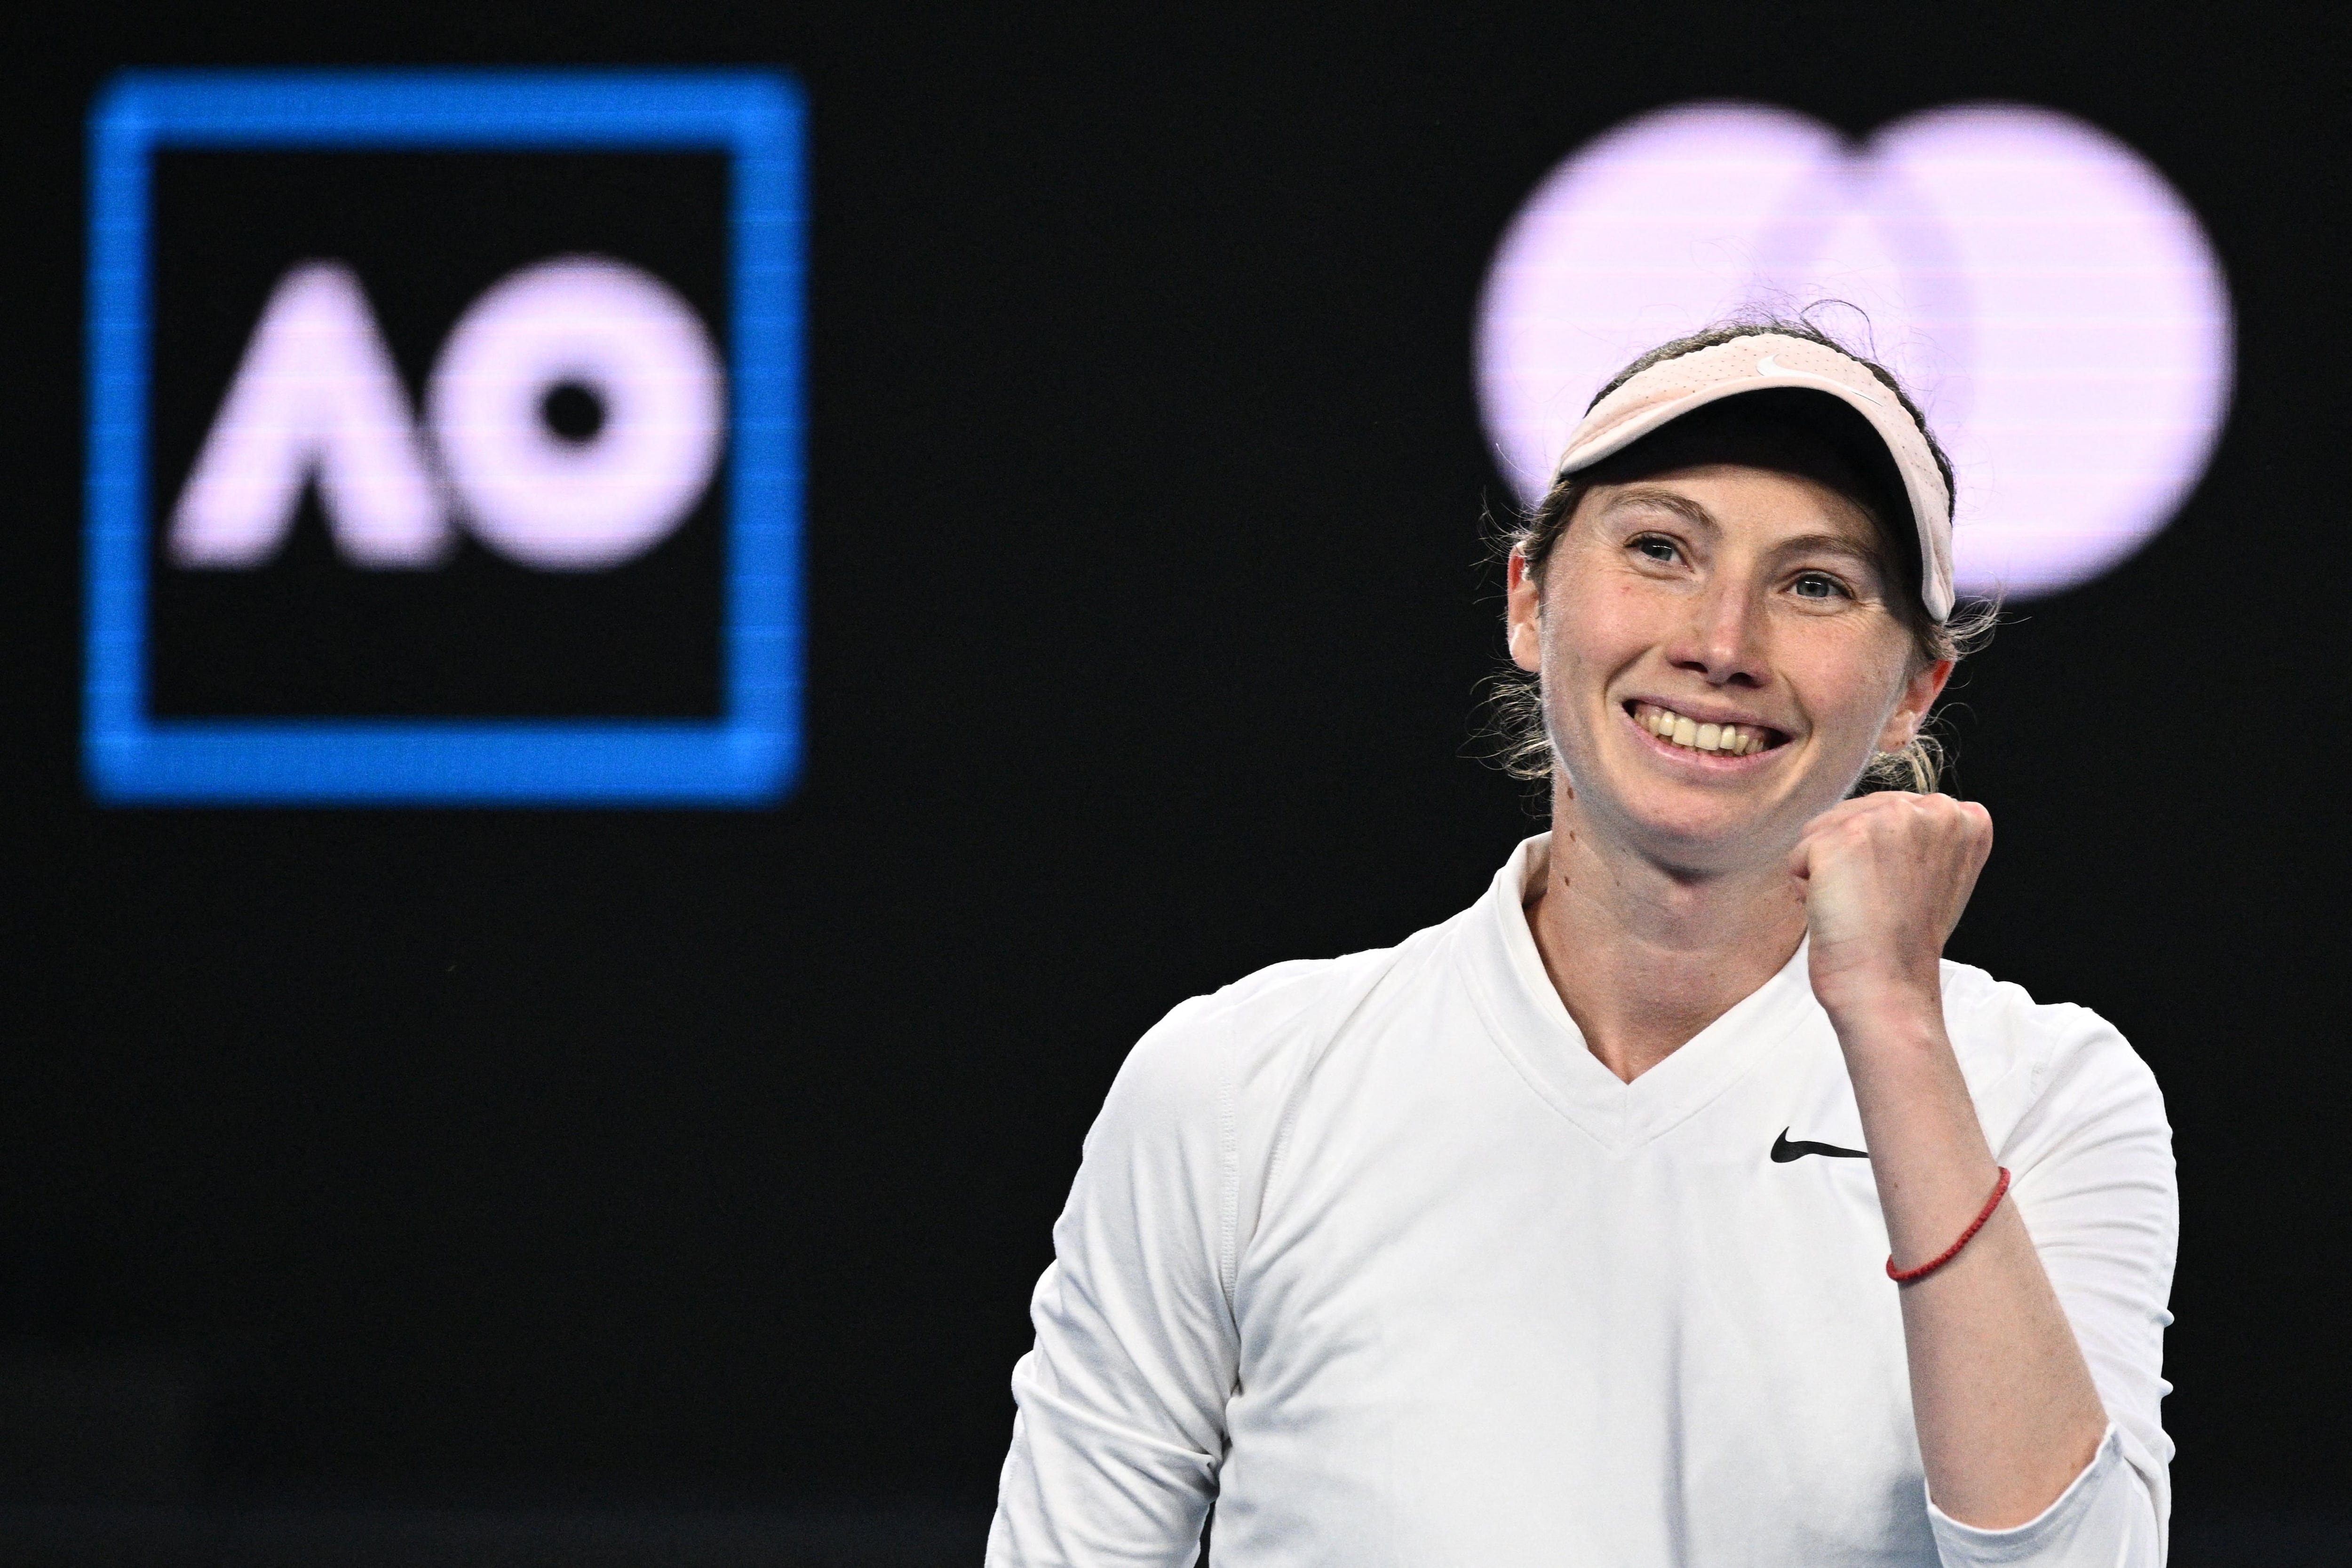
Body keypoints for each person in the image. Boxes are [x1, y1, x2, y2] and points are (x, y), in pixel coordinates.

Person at [986, 322, 2177, 1567]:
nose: (1722, 643)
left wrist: (1888, 1016)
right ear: (1530, 600)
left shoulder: (2047, 1095)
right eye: (1661, 550)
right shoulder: (1236, 1087)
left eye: (1816, 583)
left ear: (1915, 695)